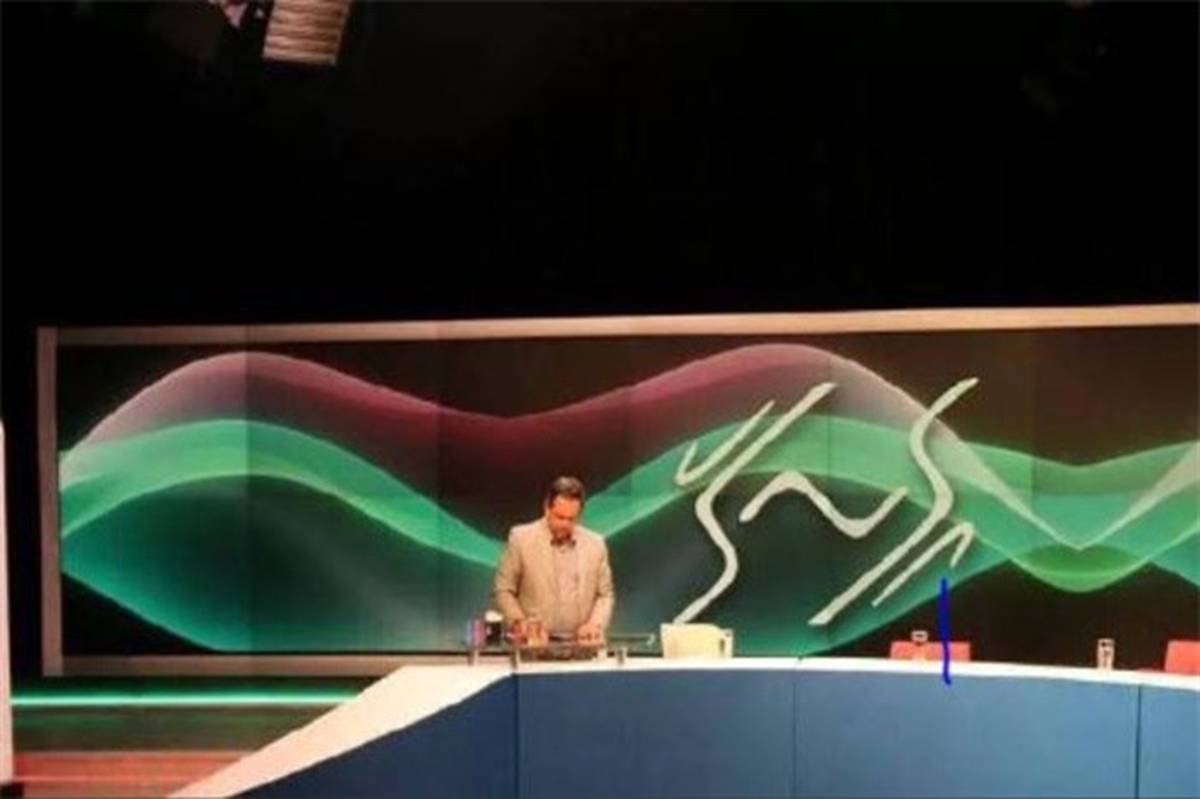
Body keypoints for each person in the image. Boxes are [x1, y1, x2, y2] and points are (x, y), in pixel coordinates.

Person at [493, 476, 614, 646]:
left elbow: (605, 595)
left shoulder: (596, 544)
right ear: (546, 508)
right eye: (560, 517)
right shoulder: (521, 539)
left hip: (581, 647)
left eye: (571, 519)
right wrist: (521, 624)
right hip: (533, 647)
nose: (565, 524)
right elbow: (503, 590)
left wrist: (595, 624)